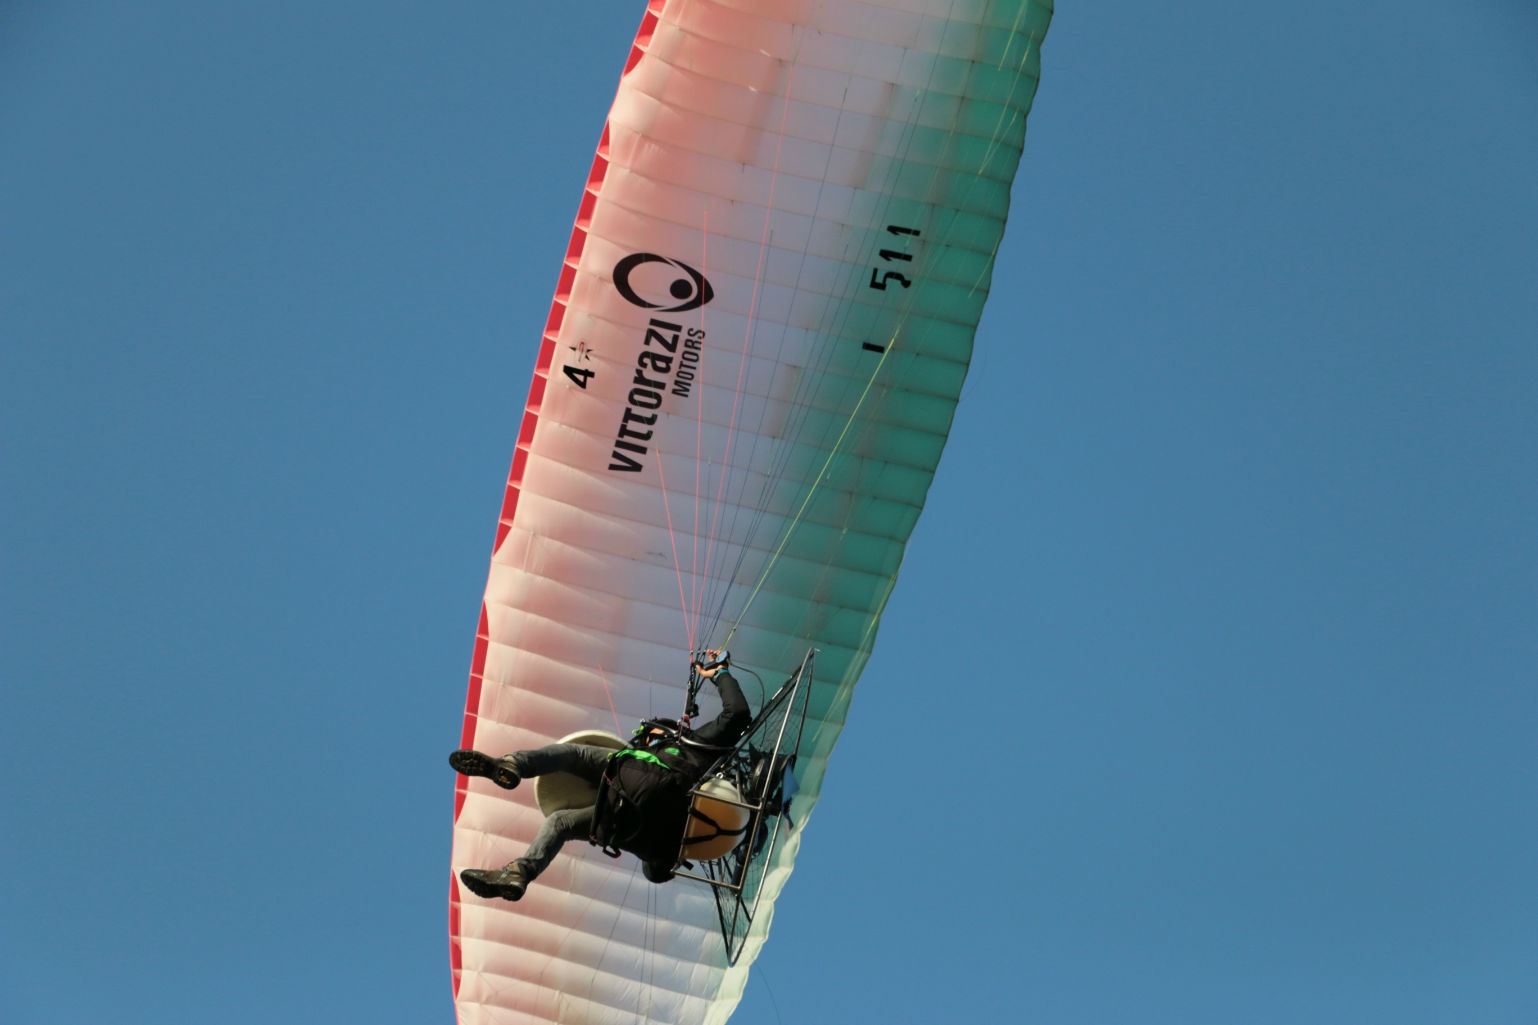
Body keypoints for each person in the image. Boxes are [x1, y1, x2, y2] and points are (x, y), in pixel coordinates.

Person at [452, 650, 752, 902]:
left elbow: (737, 714)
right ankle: (519, 873)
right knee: (561, 822)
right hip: (648, 833)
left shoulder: (687, 744)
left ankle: (513, 765)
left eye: (649, 733)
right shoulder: (703, 753)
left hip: (635, 794)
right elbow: (656, 874)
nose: (643, 737)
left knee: (575, 755)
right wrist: (722, 673)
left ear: (669, 734)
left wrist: (718, 672)